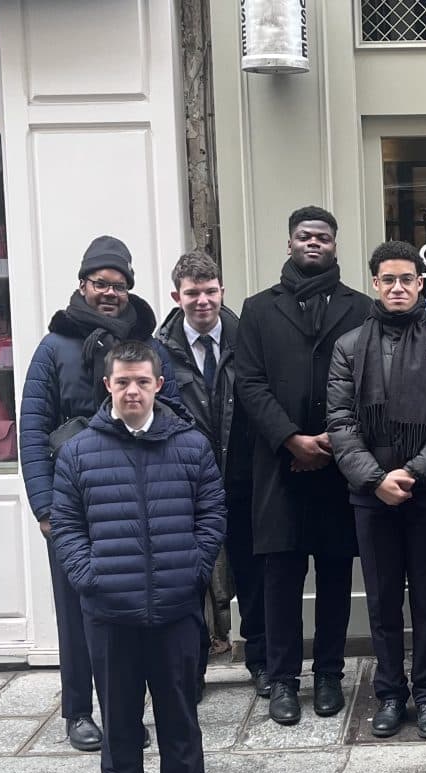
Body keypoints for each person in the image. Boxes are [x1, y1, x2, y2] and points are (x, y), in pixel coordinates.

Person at [50, 341, 225, 773]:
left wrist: (192, 571)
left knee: (178, 720)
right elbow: (66, 526)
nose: (132, 390)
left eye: (141, 381)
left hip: (174, 610)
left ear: (158, 386)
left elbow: (212, 514)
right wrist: (90, 576)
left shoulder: (190, 445)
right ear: (108, 385)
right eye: (122, 381)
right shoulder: (80, 451)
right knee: (119, 723)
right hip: (109, 612)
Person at [19, 235, 180, 752]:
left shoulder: (149, 349)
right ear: (82, 285)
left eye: (119, 285)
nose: (109, 293)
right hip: (72, 502)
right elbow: (31, 427)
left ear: (130, 289)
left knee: (126, 611)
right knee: (74, 610)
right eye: (100, 284)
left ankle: (125, 712)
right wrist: (45, 508)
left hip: (136, 500)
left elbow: (173, 409)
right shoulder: (53, 348)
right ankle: (78, 712)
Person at [327, 241, 426, 740]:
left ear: (420, 283)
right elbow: (340, 422)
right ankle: (390, 694)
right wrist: (375, 479)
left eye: (406, 279)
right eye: (388, 279)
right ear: (374, 283)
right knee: (383, 602)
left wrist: (411, 472)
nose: (397, 287)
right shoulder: (348, 347)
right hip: (370, 496)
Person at [236, 206, 371, 725]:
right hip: (279, 467)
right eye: (303, 235)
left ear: (335, 245)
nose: (313, 243)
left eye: (322, 237)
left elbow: (368, 383)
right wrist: (291, 439)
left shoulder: (360, 308)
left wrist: (335, 442)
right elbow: (249, 383)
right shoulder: (258, 309)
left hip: (340, 466)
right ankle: (285, 679)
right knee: (281, 578)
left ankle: (330, 674)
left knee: (336, 574)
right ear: (290, 243)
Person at [157, 251, 266, 701]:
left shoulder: (247, 339)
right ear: (176, 296)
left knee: (254, 575)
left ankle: (260, 662)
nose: (202, 301)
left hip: (243, 477)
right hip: (185, 484)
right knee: (189, 581)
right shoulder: (159, 351)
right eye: (192, 293)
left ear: (222, 291)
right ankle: (192, 670)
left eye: (210, 291)